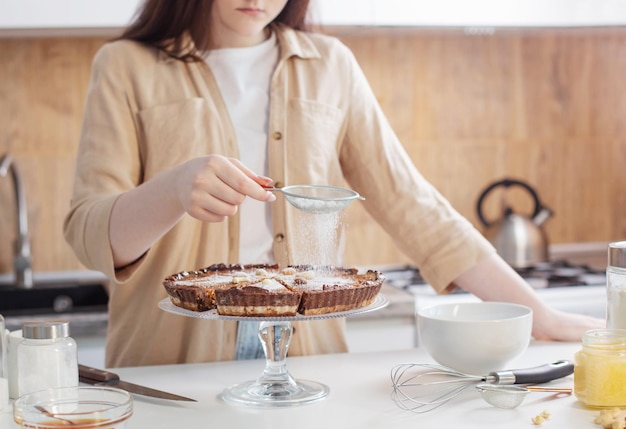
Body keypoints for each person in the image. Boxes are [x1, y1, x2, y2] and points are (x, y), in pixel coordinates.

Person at [63, 0, 603, 368]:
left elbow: (412, 205)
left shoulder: (331, 65)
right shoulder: (124, 66)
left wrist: (541, 316)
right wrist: (172, 189)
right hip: (168, 367)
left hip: (311, 361)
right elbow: (89, 233)